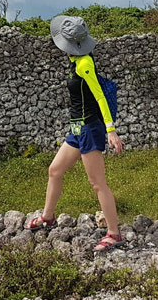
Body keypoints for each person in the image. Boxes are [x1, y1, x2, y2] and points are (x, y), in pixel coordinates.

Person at [25, 15, 125, 252]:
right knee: (55, 170)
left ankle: (114, 233)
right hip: (77, 128)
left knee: (97, 182)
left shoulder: (84, 64)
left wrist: (110, 130)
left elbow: (99, 96)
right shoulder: (75, 60)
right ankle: (48, 217)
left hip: (90, 128)